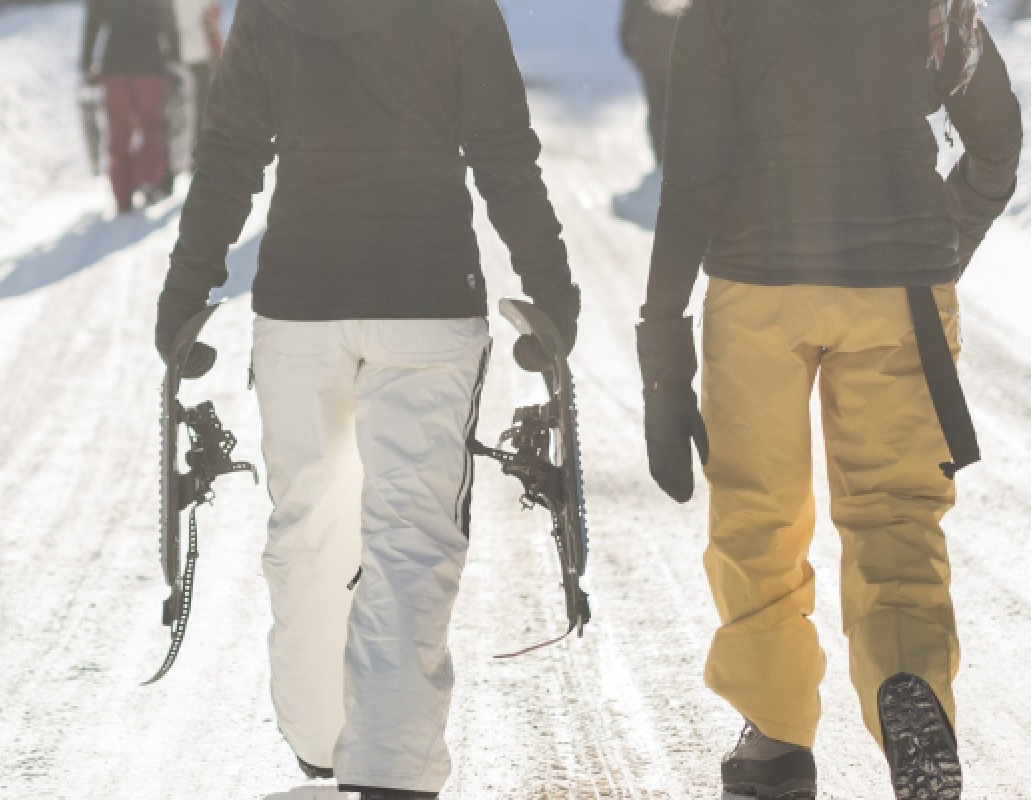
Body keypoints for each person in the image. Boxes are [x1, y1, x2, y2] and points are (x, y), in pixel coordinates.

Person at [154, 1, 579, 798]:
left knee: (308, 522)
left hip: (300, 304)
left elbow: (231, 154)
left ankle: (322, 738)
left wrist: (183, 293)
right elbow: (503, 154)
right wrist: (553, 288)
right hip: (429, 299)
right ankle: (389, 768)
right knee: (411, 537)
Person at [635, 1, 1020, 798]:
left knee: (758, 515)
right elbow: (998, 136)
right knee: (895, 512)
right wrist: (946, 243)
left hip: (756, 287)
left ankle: (775, 738)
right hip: (900, 284)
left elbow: (696, 177)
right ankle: (909, 684)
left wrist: (663, 345)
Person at [80, 0, 180, 213]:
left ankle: (122, 196)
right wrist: (173, 56)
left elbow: (93, 20)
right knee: (152, 127)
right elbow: (168, 17)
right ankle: (148, 181)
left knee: (118, 132)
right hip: (150, 65)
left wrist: (87, 62)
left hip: (114, 67)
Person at [618, 0, 683, 166]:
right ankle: (675, 154)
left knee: (657, 108)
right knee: (677, 107)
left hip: (650, 55)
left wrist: (630, 49)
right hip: (676, 55)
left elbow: (627, 22)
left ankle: (661, 155)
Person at [172, 0, 223, 157]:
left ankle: (185, 156)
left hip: (178, 58)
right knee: (202, 112)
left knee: (184, 114)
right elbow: (211, 22)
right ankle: (198, 155)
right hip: (200, 58)